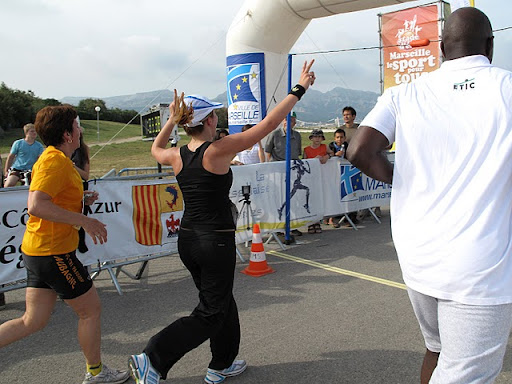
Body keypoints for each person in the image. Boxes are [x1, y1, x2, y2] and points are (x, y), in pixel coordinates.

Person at [347, 8, 512, 384]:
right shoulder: (506, 88)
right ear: (490, 45)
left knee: (438, 351)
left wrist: (404, 179)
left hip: (418, 257)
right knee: (464, 375)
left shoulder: (403, 93)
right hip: (479, 265)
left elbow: (358, 150)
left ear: (440, 47)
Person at [128, 60, 316, 384]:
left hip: (189, 240)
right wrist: (298, 88)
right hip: (213, 241)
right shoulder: (216, 150)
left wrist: (171, 120)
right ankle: (153, 359)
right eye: (216, 115)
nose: (219, 118)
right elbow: (268, 124)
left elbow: (155, 147)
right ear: (209, 120)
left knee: (221, 302)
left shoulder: (177, 154)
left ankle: (222, 363)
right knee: (212, 311)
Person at [0, 105, 129, 384]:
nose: (81, 129)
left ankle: (95, 371)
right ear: (68, 134)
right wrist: (85, 220)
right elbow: (36, 205)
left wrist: (83, 200)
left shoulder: (58, 160)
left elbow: (53, 200)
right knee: (90, 310)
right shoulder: (54, 161)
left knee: (32, 321)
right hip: (53, 252)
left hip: (41, 251)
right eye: (77, 125)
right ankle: (95, 372)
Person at [302, 128, 332, 234]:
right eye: (315, 136)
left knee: (319, 200)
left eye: (319, 137)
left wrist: (326, 156)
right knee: (310, 200)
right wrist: (313, 160)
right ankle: (310, 223)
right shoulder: (306, 149)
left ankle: (317, 222)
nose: (317, 139)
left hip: (322, 177)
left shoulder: (324, 147)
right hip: (311, 178)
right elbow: (304, 162)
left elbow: (331, 153)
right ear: (311, 138)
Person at [4, 123, 44, 187]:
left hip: (31, 170)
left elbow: (40, 160)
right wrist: (6, 170)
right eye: (32, 131)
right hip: (17, 168)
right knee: (9, 184)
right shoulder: (18, 143)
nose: (34, 133)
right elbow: (11, 157)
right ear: (26, 132)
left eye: (35, 131)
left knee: (32, 186)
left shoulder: (39, 146)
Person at [71, 119, 91, 253]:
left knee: (80, 217)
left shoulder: (84, 151)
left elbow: (86, 175)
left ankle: (81, 242)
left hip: (80, 186)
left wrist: (72, 167)